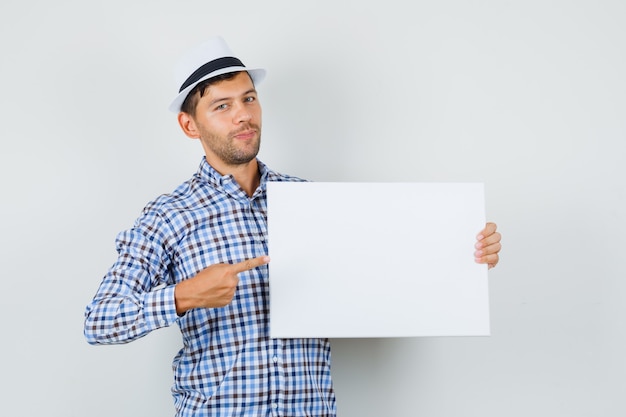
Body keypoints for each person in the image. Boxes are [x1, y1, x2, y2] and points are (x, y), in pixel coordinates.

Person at [84, 36, 502, 417]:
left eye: (248, 99)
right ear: (190, 125)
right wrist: (183, 295)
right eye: (222, 106)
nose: (243, 116)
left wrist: (461, 255)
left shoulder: (311, 203)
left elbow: (385, 272)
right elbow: (100, 321)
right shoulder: (167, 216)